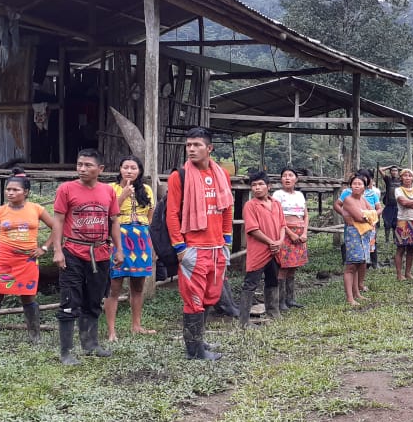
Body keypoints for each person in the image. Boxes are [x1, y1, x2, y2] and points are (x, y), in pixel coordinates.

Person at [166, 127, 234, 361]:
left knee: (209, 297)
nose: (192, 149)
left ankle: (199, 341)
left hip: (216, 249)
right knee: (193, 300)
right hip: (193, 249)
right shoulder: (179, 176)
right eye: (188, 145)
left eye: (197, 145)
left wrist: (227, 240)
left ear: (209, 148)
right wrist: (180, 248)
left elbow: (227, 208)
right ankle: (194, 351)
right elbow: (172, 214)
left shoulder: (222, 175)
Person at [53, 149, 123, 365]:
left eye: (88, 165)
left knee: (94, 299)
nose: (82, 169)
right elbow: (58, 220)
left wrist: (119, 249)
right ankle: (66, 352)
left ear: (100, 169)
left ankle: (90, 344)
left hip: (100, 253)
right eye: (79, 164)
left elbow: (114, 222)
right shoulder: (66, 189)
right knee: (69, 301)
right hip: (73, 251)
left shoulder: (108, 192)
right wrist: (57, 250)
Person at [0, 169, 61, 344]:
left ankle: (35, 336)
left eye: (15, 190)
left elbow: (57, 227)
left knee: (28, 295)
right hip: (3, 258)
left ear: (26, 192)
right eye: (8, 189)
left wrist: (44, 248)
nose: (10, 192)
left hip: (27, 260)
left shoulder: (36, 209)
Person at [105, 156, 156, 341]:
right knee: (115, 285)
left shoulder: (147, 189)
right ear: (119, 169)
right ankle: (112, 331)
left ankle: (136, 326)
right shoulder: (111, 188)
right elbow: (109, 212)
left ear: (139, 171)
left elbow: (150, 216)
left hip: (141, 239)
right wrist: (123, 195)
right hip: (119, 237)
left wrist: (148, 240)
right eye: (125, 167)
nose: (129, 171)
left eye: (133, 168)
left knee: (138, 285)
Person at [239, 170, 285, 329]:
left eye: (260, 184)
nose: (257, 188)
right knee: (250, 283)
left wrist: (279, 241)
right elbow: (252, 229)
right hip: (259, 251)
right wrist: (270, 241)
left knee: (273, 280)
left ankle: (273, 312)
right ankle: (244, 321)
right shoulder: (250, 205)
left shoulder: (276, 204)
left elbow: (282, 226)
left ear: (269, 186)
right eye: (254, 185)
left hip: (275, 250)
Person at [272, 168, 309, 311]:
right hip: (284, 232)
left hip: (300, 232)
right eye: (284, 176)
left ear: (296, 179)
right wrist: (289, 233)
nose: (287, 178)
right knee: (283, 266)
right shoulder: (278, 195)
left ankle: (290, 299)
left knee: (293, 266)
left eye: (290, 175)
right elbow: (276, 216)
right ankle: (280, 301)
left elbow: (305, 215)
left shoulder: (300, 195)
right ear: (281, 179)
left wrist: (304, 232)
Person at [341, 174, 376, 306]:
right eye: (354, 183)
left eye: (359, 184)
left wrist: (368, 214)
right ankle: (350, 298)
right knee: (351, 266)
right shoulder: (348, 200)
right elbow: (360, 217)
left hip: (364, 234)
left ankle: (356, 293)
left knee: (358, 264)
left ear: (364, 187)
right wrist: (368, 215)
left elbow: (375, 211)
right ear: (351, 186)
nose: (356, 186)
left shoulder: (363, 199)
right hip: (353, 234)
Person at [393, 168, 413, 281]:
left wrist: (409, 203)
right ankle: (399, 274)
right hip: (403, 221)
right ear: (401, 178)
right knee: (400, 248)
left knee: (411, 248)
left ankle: (408, 273)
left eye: (410, 175)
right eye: (405, 175)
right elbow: (402, 202)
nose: (407, 177)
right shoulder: (398, 190)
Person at [379, 165, 401, 244]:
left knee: (396, 223)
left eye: (396, 171)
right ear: (390, 172)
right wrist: (390, 166)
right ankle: (387, 240)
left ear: (398, 172)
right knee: (387, 223)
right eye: (392, 170)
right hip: (389, 205)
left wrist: (399, 168)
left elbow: (409, 172)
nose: (394, 172)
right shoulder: (388, 179)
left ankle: (395, 239)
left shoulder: (401, 180)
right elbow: (380, 169)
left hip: (398, 205)